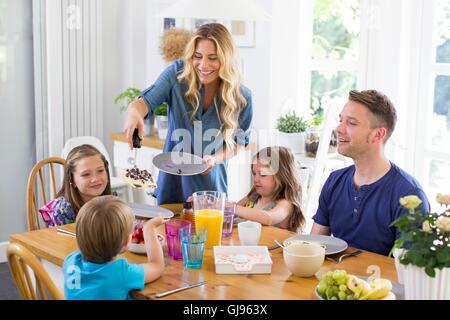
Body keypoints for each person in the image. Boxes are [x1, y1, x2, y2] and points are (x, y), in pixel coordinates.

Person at [123, 23, 253, 204]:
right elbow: (143, 103)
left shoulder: (242, 97)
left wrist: (215, 159)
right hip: (172, 183)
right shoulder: (177, 75)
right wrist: (133, 114)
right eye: (197, 56)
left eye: (212, 58)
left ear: (226, 59)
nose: (203, 65)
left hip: (211, 188)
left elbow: (239, 143)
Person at [310, 90, 430, 256]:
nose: (339, 128)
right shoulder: (334, 180)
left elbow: (410, 272)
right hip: (334, 279)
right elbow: (312, 247)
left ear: (378, 134)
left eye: (351, 123)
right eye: (340, 120)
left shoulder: (409, 196)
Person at [63, 195, 165, 300]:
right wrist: (149, 228)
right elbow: (157, 266)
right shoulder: (121, 273)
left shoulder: (70, 260)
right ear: (126, 242)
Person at [235, 146, 305, 232]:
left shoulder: (286, 204)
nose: (256, 179)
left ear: (281, 176)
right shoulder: (254, 196)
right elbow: (231, 212)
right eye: (254, 173)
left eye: (263, 174)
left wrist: (233, 208)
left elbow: (269, 218)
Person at [39, 144, 112, 227]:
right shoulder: (63, 211)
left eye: (100, 170)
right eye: (86, 174)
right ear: (72, 180)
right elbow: (65, 240)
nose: (95, 179)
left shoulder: (111, 202)